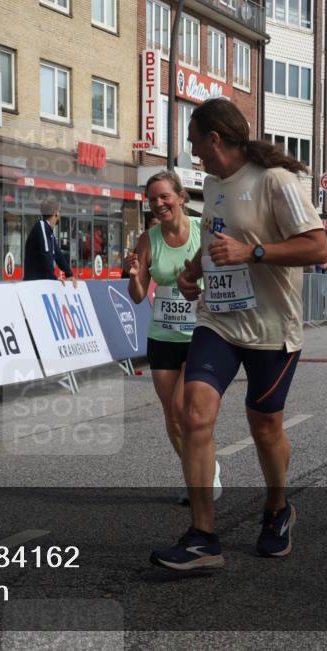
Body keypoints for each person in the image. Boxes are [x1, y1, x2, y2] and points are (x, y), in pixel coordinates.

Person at [151, 98, 327, 570]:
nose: (194, 155)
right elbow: (215, 238)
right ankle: (203, 537)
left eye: (195, 143)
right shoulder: (212, 184)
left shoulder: (276, 181)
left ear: (215, 139)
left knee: (264, 425)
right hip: (219, 320)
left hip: (272, 329)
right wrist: (192, 271)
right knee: (193, 414)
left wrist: (255, 253)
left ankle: (277, 509)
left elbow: (317, 245)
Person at [124, 171, 221, 506]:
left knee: (185, 407)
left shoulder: (201, 231)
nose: (159, 204)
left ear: (181, 197)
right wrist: (136, 275)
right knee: (172, 415)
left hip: (201, 334)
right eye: (152, 199)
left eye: (164, 196)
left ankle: (207, 478)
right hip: (163, 336)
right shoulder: (148, 238)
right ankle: (198, 474)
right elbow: (137, 296)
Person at [22, 196, 76, 286]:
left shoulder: (48, 231)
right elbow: (46, 255)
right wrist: (53, 278)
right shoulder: (41, 226)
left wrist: (69, 274)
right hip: (34, 285)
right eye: (59, 211)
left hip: (41, 283)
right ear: (55, 213)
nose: (60, 213)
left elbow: (58, 255)